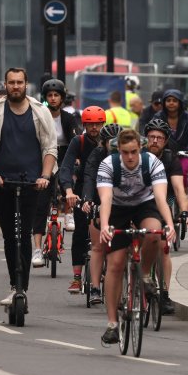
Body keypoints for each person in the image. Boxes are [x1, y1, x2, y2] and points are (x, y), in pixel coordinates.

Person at [0, 67, 58, 307]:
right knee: (11, 238)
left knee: (24, 233)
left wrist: (44, 176)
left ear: (26, 84)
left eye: (19, 82)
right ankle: (15, 285)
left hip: (33, 184)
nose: (15, 86)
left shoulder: (40, 112)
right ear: (5, 85)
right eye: (11, 82)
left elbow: (49, 148)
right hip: (3, 184)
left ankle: (23, 288)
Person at [97, 129, 175, 345]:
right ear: (118, 151)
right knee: (116, 263)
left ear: (140, 149)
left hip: (144, 204)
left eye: (133, 152)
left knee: (153, 233)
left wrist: (169, 224)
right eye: (125, 152)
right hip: (117, 208)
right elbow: (105, 199)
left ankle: (146, 275)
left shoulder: (152, 163)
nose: (130, 157)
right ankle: (112, 323)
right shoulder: (108, 165)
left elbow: (160, 197)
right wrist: (104, 226)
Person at [143, 118, 188, 314]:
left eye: (159, 138)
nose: (155, 141)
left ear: (165, 141)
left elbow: (180, 189)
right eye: (151, 137)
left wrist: (185, 212)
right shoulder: (137, 156)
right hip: (140, 202)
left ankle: (164, 293)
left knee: (164, 248)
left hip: (164, 201)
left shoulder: (171, 159)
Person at [59, 106, 106, 295]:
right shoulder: (78, 142)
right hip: (81, 192)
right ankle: (77, 277)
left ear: (103, 123)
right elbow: (66, 167)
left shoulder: (109, 141)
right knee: (79, 232)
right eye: (90, 124)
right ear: (84, 125)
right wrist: (69, 191)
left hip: (105, 192)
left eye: (98, 123)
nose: (94, 127)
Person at [32, 79, 79, 267]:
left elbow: (75, 137)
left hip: (64, 155)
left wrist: (76, 157)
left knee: (67, 180)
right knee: (40, 204)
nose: (53, 98)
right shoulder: (39, 117)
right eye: (50, 95)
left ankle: (69, 213)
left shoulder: (68, 118)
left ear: (62, 98)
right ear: (45, 98)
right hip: (43, 157)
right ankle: (37, 249)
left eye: (56, 95)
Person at [81, 122, 123, 305]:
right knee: (98, 246)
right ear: (104, 143)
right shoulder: (97, 155)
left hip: (123, 201)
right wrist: (88, 200)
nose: (114, 145)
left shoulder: (129, 155)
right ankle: (96, 287)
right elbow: (89, 177)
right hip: (100, 198)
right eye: (110, 142)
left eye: (117, 141)